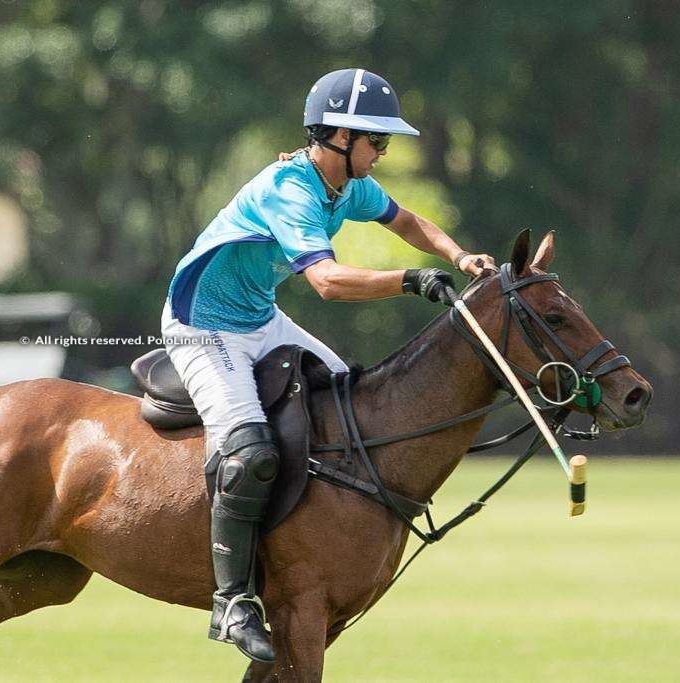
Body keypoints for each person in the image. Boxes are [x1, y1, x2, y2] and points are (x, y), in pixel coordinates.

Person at [160, 67, 495, 662]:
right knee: (250, 452)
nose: (384, 151)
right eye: (377, 140)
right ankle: (233, 599)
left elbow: (407, 220)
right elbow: (328, 281)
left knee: (348, 408)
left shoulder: (348, 186)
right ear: (337, 136)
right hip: (204, 328)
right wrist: (411, 280)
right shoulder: (291, 189)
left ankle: (309, 543)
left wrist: (458, 255)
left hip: (258, 319)